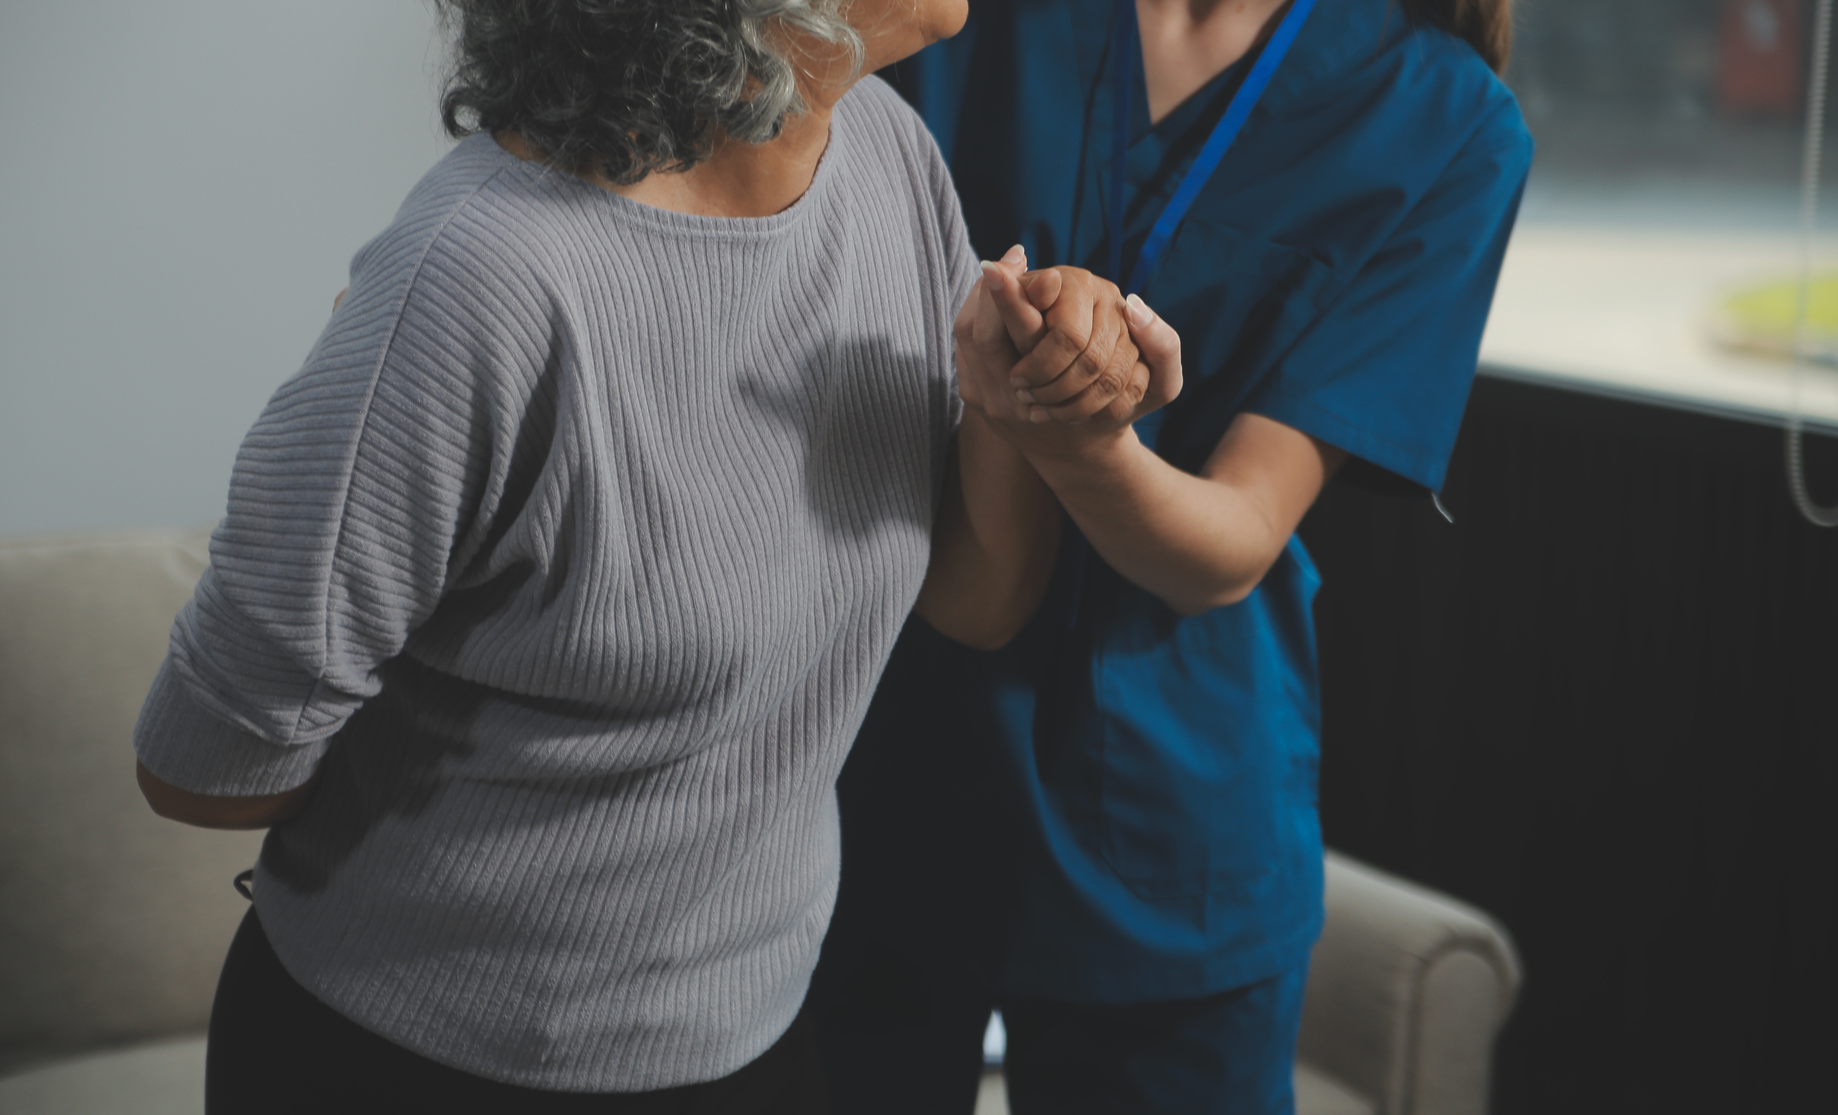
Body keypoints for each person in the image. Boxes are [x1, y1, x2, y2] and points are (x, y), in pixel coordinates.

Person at [129, 0, 1183, 1111]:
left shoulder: (884, 155)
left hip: (754, 1037)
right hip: (414, 1062)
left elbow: (974, 599)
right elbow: (200, 770)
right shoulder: (482, 281)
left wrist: (1014, 405)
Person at [806, 0, 1534, 1112]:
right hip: (869, 753)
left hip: (1165, 807)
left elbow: (1234, 538)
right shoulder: (957, 15)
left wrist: (1078, 438)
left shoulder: (1447, 121)